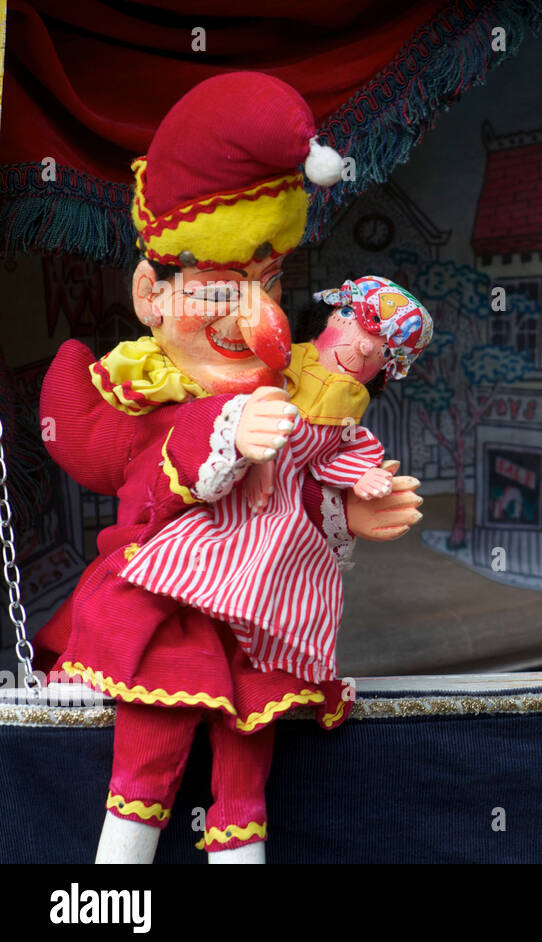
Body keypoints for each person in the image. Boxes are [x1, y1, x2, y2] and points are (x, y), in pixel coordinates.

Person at [36, 72, 422, 863]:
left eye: (271, 281)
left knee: (251, 750)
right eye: (222, 293)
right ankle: (118, 879)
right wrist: (224, 431)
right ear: (152, 294)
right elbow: (133, 478)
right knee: (155, 731)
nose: (258, 317)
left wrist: (349, 512)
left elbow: (291, 492)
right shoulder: (156, 396)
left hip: (256, 617)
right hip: (164, 607)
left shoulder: (294, 396)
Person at [120, 276, 434, 685]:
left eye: (381, 350)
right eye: (349, 319)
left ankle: (261, 661)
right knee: (184, 584)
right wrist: (249, 446)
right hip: (226, 496)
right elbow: (234, 400)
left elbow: (327, 461)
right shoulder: (277, 364)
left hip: (284, 517)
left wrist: (360, 477)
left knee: (290, 594)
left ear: (386, 370)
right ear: (325, 316)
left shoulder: (347, 412)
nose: (361, 347)